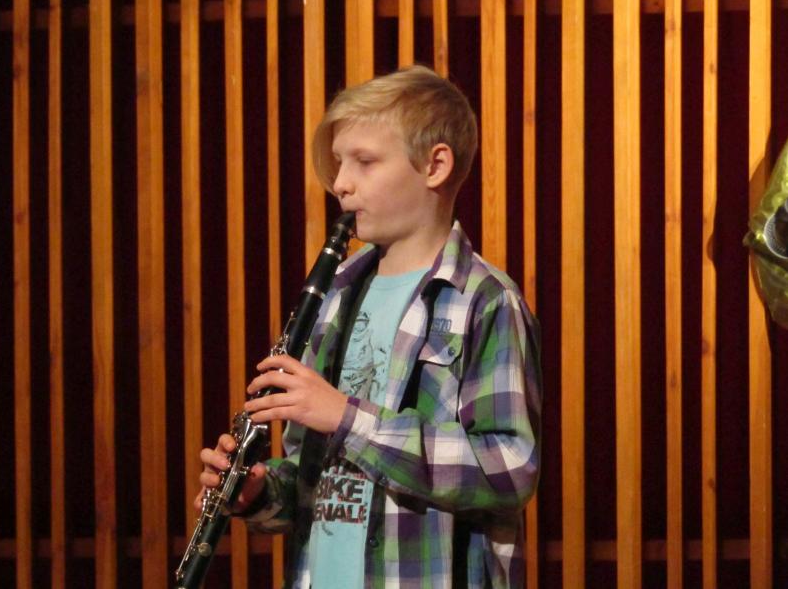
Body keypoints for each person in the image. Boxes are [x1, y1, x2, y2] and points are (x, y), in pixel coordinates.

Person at [198, 65, 541, 588]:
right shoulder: (335, 297)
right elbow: (316, 479)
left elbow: (510, 468)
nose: (340, 183)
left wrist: (347, 418)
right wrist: (259, 493)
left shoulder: (485, 300)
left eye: (364, 161)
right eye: (339, 163)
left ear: (435, 165)